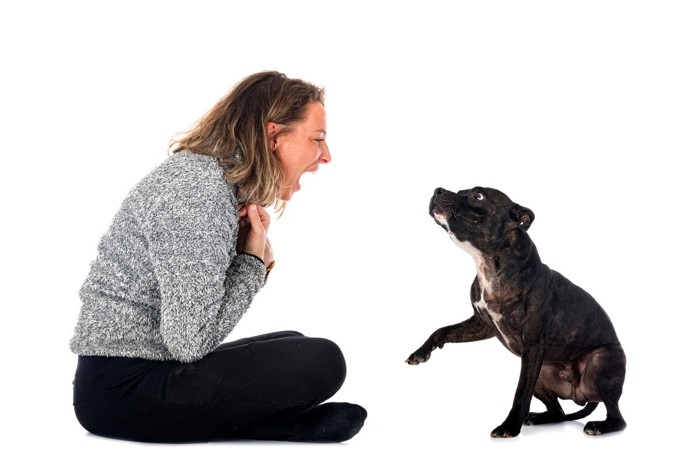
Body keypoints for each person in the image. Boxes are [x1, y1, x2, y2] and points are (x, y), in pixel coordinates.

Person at [69, 71, 367, 443]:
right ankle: (257, 422)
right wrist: (251, 265)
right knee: (322, 360)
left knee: (292, 339)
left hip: (134, 379)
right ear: (275, 136)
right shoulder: (199, 194)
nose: (326, 155)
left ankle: (256, 422)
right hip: (122, 393)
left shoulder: (209, 182)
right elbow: (190, 343)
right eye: (317, 139)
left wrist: (246, 259)